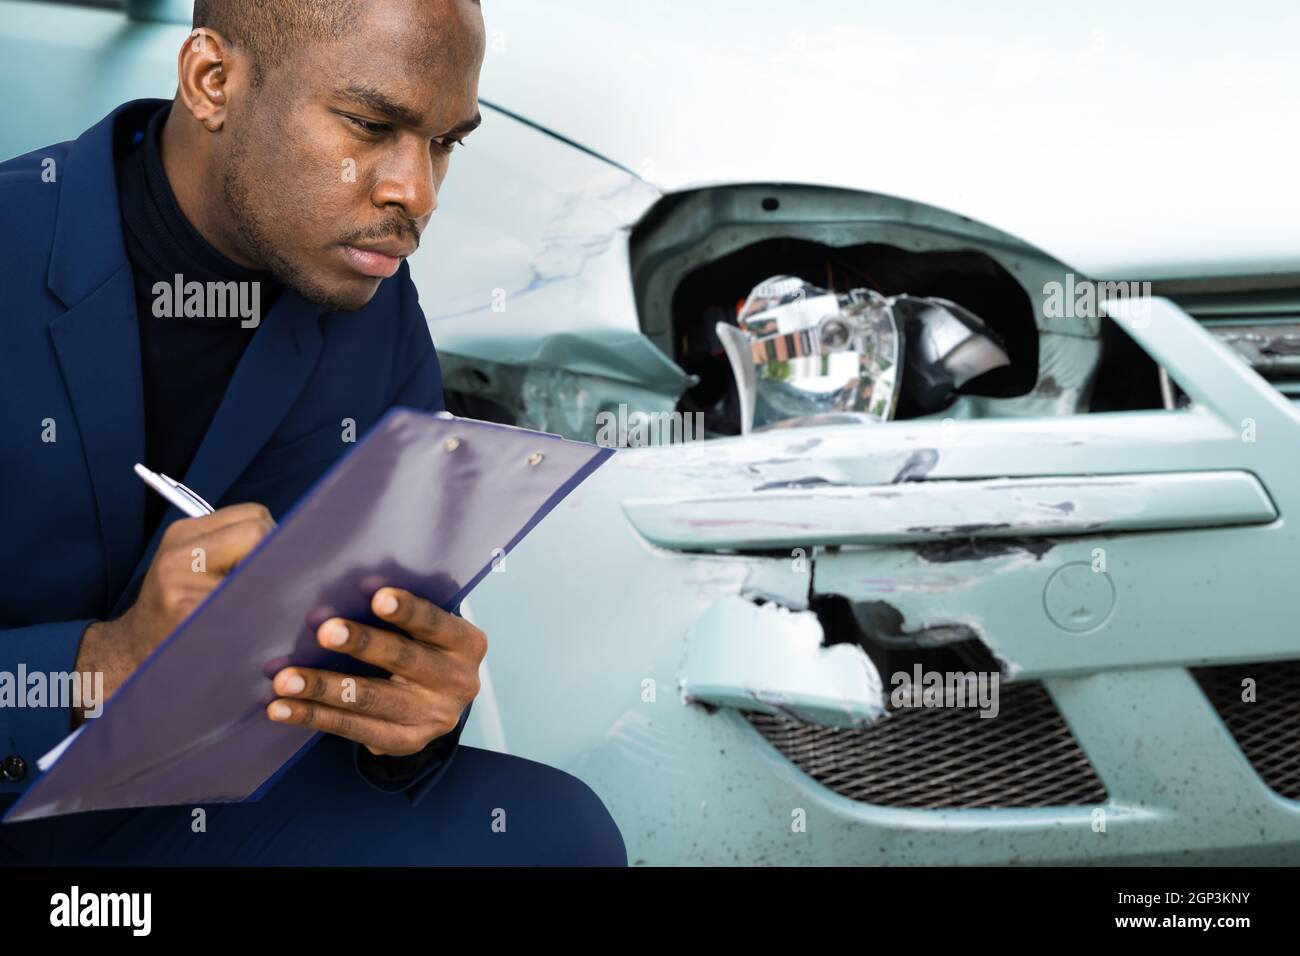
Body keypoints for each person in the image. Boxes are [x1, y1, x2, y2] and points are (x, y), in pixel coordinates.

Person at [0, 0, 626, 866]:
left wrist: (410, 716)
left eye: (445, 143)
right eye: (370, 125)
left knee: (557, 833)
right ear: (211, 80)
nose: (418, 193)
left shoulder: (372, 305)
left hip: (193, 803)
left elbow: (381, 638)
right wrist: (97, 666)